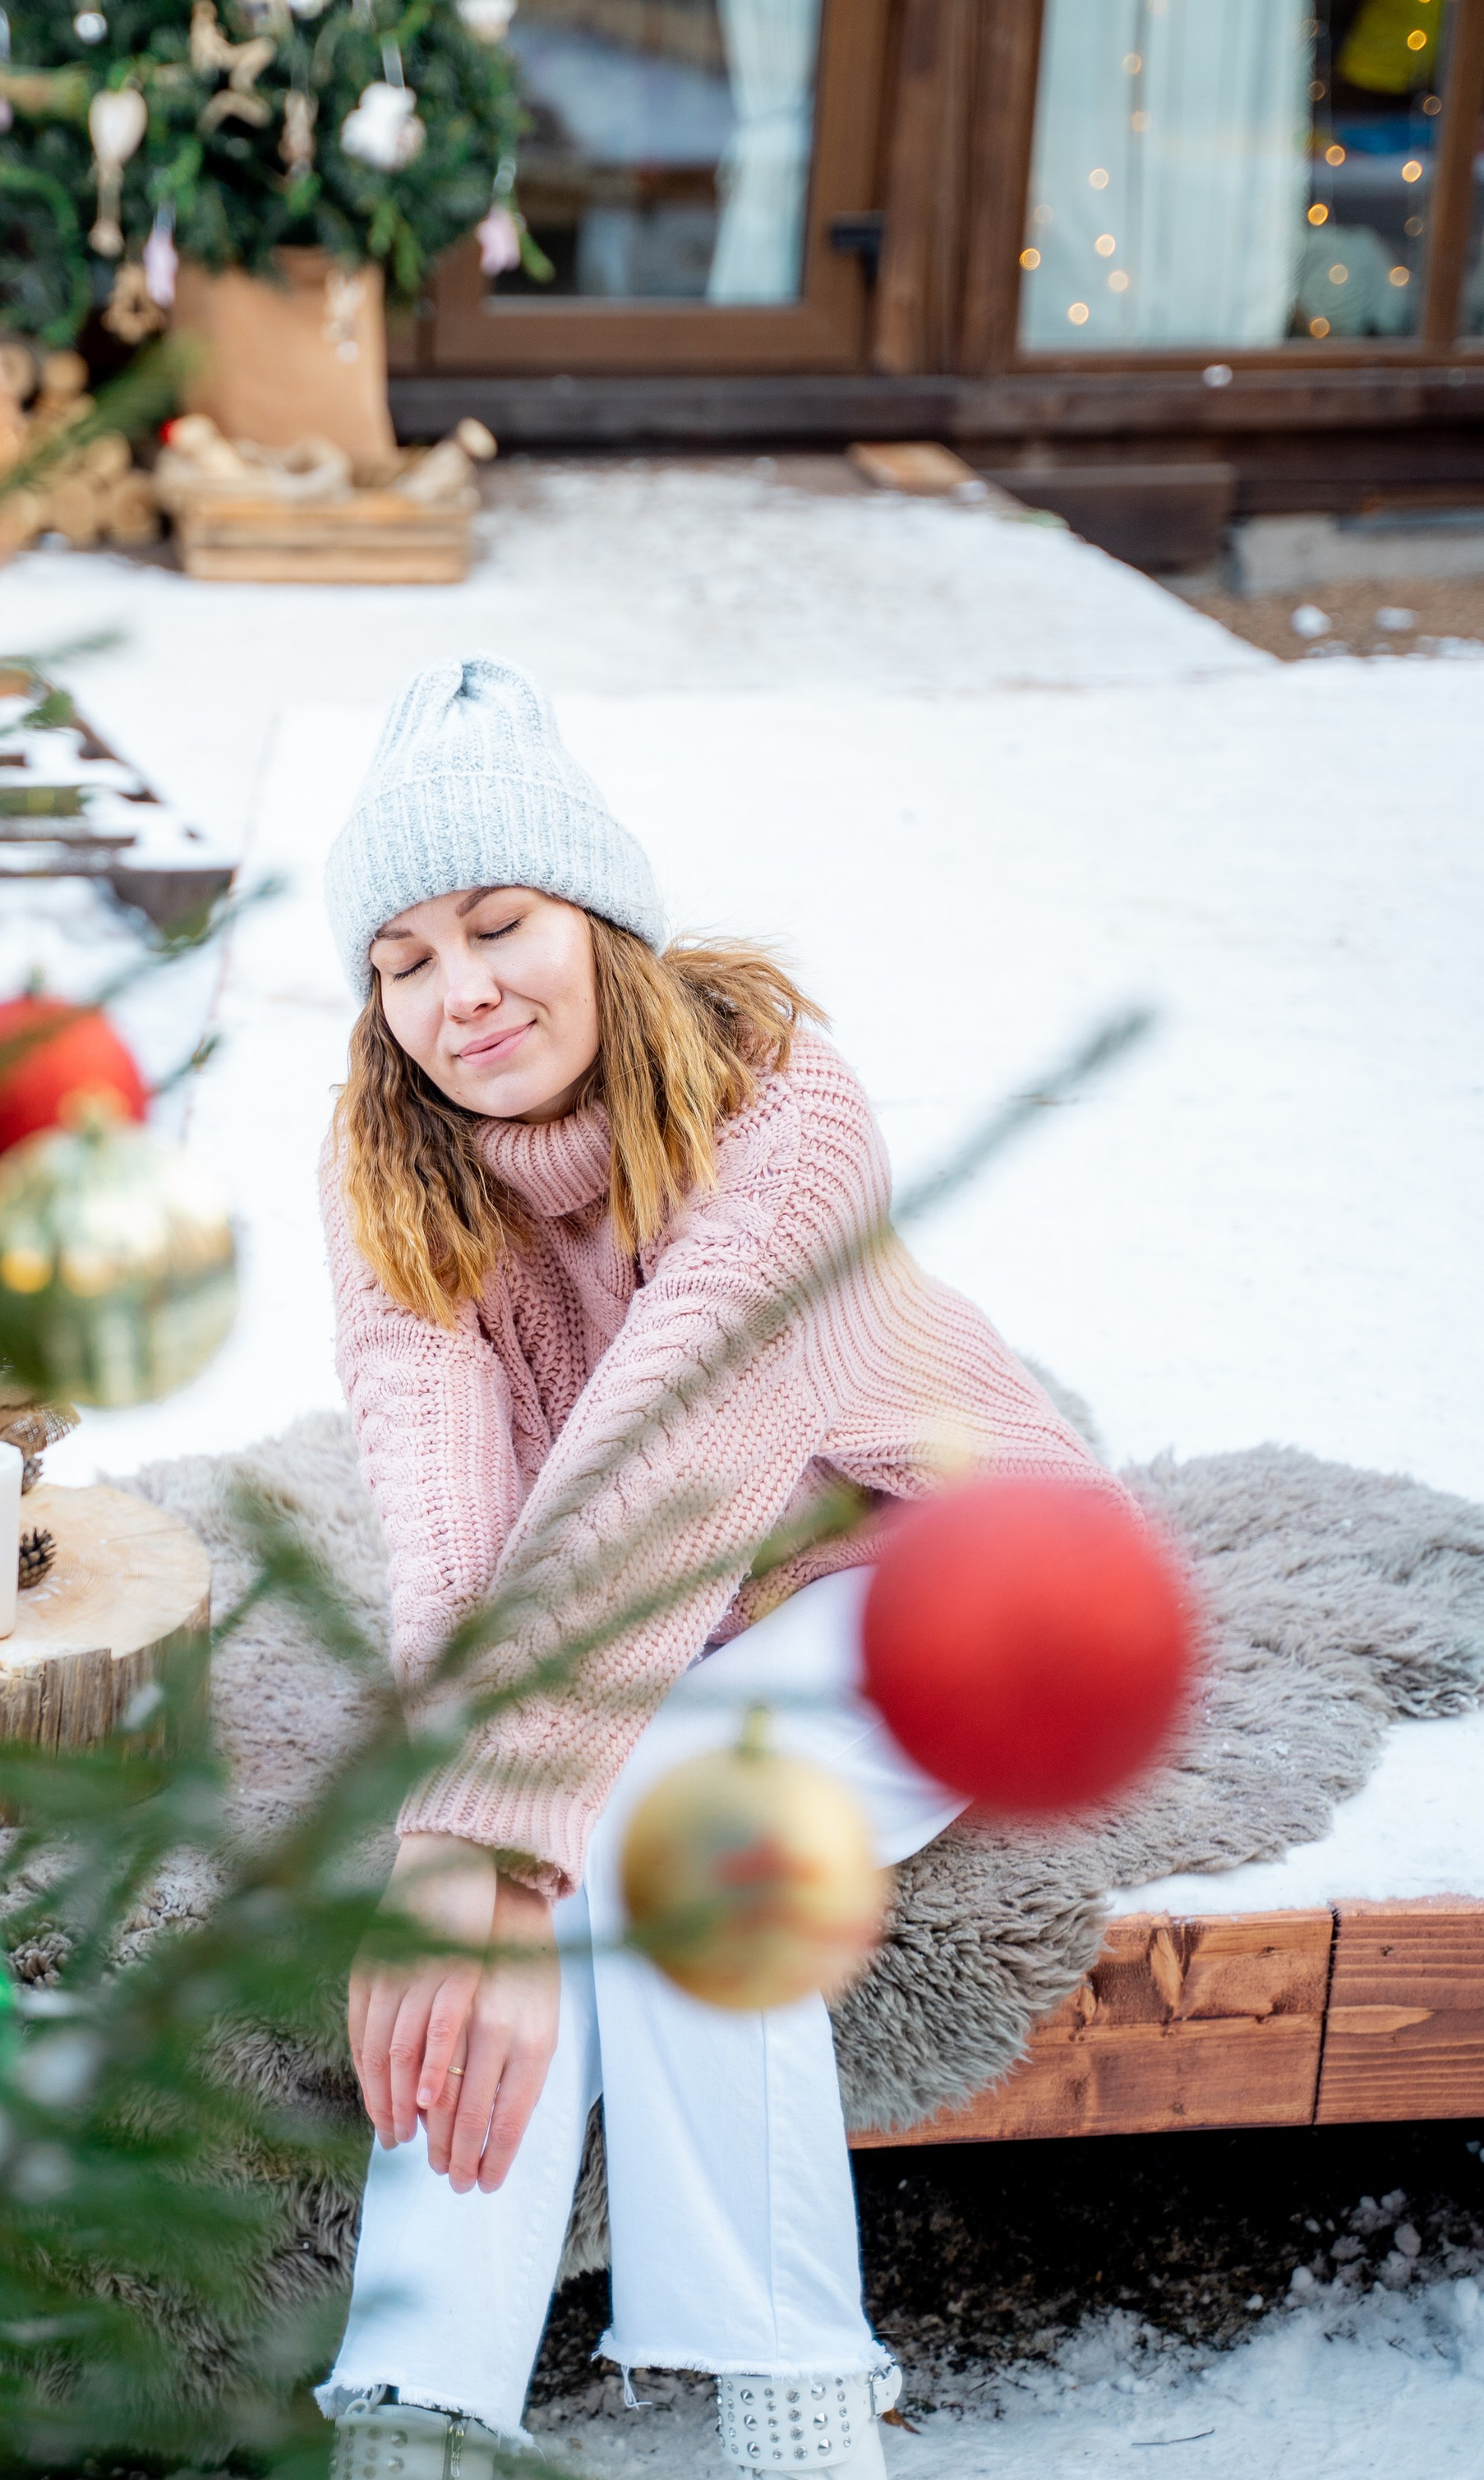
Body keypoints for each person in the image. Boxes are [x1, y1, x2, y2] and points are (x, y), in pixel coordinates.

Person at [312, 661, 1108, 2474]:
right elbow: (446, 1522)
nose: (459, 995)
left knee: (670, 1814)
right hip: (701, 1628)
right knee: (566, 1854)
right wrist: (472, 1850)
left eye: (498, 925)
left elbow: (658, 1458)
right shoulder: (388, 1172)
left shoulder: (781, 1108)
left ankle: (801, 2427)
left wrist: (478, 1834)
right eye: (402, 960)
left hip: (971, 1576)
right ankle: (412, 2424)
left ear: (598, 922)